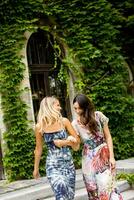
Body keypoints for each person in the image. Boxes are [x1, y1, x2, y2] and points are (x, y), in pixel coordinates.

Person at [72, 94, 123, 200]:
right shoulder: (75, 124)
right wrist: (70, 142)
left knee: (107, 187)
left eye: (79, 108)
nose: (77, 111)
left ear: (85, 107)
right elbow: (76, 146)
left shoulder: (98, 116)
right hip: (88, 159)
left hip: (103, 155)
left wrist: (112, 157)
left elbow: (108, 137)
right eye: (75, 108)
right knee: (93, 190)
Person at [33, 96, 80, 200]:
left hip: (68, 165)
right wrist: (36, 169)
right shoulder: (39, 127)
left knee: (69, 196)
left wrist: (65, 142)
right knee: (61, 194)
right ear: (49, 107)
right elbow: (38, 149)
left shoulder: (64, 122)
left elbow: (77, 143)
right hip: (53, 166)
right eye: (58, 105)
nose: (60, 108)